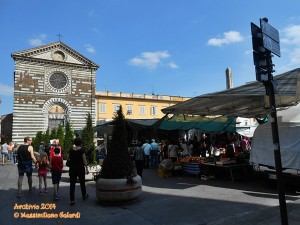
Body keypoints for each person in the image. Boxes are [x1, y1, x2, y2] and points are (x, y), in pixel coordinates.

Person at [68, 137, 89, 205]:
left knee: (72, 184)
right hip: (80, 169)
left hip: (72, 169)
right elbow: (84, 160)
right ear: (80, 143)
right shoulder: (82, 150)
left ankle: (72, 200)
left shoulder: (71, 150)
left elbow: (69, 159)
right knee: (82, 183)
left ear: (74, 142)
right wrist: (86, 168)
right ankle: (84, 195)